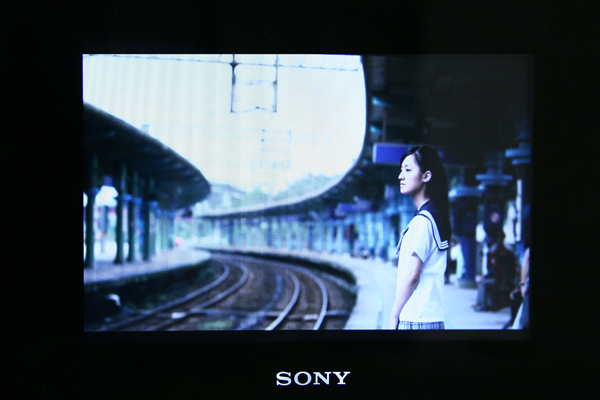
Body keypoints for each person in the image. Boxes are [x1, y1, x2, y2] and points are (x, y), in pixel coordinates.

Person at [389, 145, 451, 330]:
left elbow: (412, 275)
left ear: (426, 176)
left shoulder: (423, 221)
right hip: (429, 317)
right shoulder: (433, 216)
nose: (401, 176)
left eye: (408, 170)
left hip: (416, 319)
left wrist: (394, 315)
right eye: (401, 170)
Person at [474, 229, 516, 311]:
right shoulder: (507, 251)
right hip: (507, 277)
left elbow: (496, 269)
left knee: (483, 283)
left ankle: (482, 305)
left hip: (502, 279)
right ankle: (482, 303)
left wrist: (484, 277)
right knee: (484, 281)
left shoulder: (499, 252)